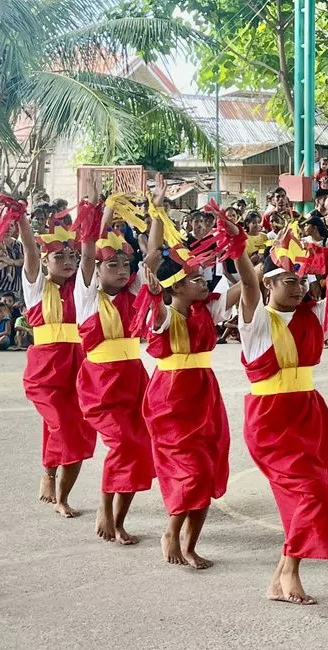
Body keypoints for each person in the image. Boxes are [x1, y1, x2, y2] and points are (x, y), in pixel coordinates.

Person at [233, 222, 328, 604]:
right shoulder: (258, 322)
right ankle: (290, 572)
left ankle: (280, 576)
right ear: (269, 283)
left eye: (301, 282)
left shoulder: (313, 316)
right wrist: (239, 250)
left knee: (320, 493)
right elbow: (247, 285)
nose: (298, 288)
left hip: (309, 413)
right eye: (287, 281)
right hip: (270, 419)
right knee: (309, 492)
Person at [136, 195, 243, 568]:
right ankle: (172, 530)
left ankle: (192, 543)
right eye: (195, 278)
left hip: (204, 394)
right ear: (176, 288)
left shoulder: (207, 308)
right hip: (171, 397)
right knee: (189, 467)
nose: (203, 281)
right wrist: (156, 220)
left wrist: (238, 243)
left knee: (208, 465)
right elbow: (153, 293)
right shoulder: (163, 315)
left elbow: (249, 281)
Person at [11, 205, 96, 517]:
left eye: (70, 256)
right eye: (59, 257)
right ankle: (48, 475)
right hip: (45, 373)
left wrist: (94, 223)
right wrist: (21, 219)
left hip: (78, 369)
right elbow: (30, 251)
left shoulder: (82, 290)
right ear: (45, 262)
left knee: (76, 431)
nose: (68, 262)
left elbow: (88, 257)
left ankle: (62, 496)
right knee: (61, 426)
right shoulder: (37, 288)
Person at [79, 201, 156, 544]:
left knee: (140, 447)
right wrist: (104, 215)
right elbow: (85, 253)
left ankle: (120, 519)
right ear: (97, 270)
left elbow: (152, 256)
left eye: (126, 264)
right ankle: (103, 505)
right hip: (101, 383)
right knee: (123, 443)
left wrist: (157, 214)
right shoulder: (87, 297)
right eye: (113, 264)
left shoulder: (133, 294)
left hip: (135, 379)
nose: (123, 270)